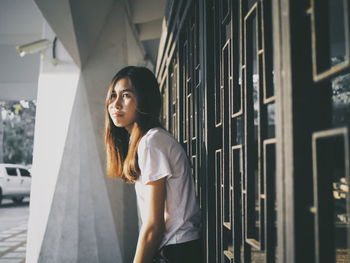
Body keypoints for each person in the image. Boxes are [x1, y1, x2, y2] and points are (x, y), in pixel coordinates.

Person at [104, 66, 203, 263]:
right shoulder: (148, 141)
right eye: (113, 95)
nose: (115, 104)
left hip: (177, 251)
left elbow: (153, 225)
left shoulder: (151, 142)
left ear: (144, 100)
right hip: (177, 248)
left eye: (126, 95)